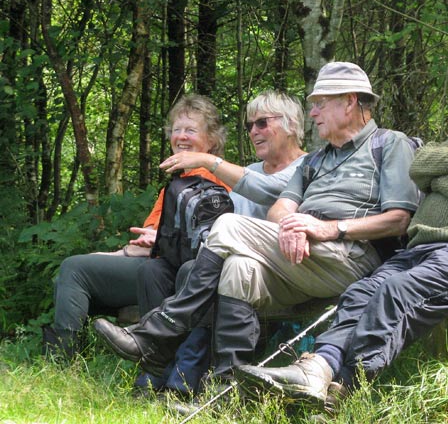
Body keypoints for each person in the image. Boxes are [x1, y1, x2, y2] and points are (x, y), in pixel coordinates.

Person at [233, 40, 448, 412]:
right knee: (362, 292)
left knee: (396, 292)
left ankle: (342, 387)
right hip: (422, 249)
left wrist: (444, 179)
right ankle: (317, 368)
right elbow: (421, 163)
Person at [93, 62, 421, 384]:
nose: (313, 113)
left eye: (320, 104)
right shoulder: (317, 159)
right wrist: (294, 224)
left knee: (229, 224)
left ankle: (156, 337)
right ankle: (226, 389)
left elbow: (399, 219)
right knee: (238, 268)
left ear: (349, 101)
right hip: (305, 257)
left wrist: (330, 228)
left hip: (352, 256)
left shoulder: (389, 144)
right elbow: (280, 208)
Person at [132, 90, 307, 397]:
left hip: (277, 268)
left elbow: (271, 190)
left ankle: (183, 378)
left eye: (262, 123)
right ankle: (156, 365)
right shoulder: (249, 172)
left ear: (291, 125)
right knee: (156, 270)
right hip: (232, 261)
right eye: (250, 125)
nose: (254, 131)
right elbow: (223, 222)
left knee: (194, 271)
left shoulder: (308, 168)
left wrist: (208, 161)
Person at [42, 94, 230, 359]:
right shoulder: (177, 182)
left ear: (211, 140)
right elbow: (146, 240)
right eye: (177, 130)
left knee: (75, 269)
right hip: (151, 263)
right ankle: (72, 353)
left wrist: (156, 244)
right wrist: (115, 254)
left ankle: (63, 358)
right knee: (78, 266)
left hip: (173, 273)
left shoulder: (213, 182)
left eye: (191, 130)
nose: (181, 137)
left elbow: (199, 244)